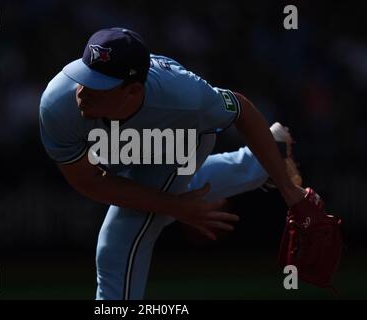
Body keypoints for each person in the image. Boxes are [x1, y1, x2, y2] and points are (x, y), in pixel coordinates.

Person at [39, 27, 304, 300]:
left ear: (131, 91)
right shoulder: (58, 102)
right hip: (124, 146)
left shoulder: (187, 98)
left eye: (98, 85)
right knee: (170, 195)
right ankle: (264, 160)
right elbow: (89, 181)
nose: (82, 91)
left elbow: (241, 111)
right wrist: (175, 206)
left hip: (182, 138)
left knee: (119, 242)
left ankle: (266, 160)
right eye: (84, 76)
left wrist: (288, 190)